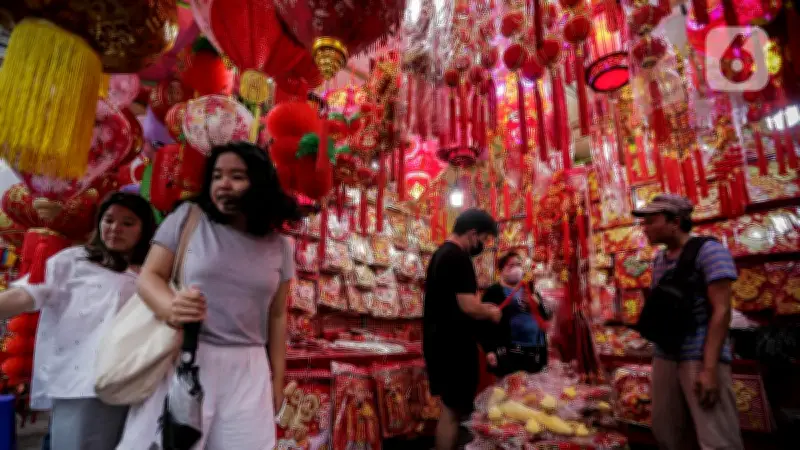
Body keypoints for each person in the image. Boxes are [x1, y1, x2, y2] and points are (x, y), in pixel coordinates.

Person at [117, 142, 299, 450]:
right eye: (217, 176)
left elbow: (278, 315)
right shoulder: (190, 218)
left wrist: (277, 379)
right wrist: (171, 307)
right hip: (189, 356)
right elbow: (149, 277)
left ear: (260, 183)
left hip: (249, 367)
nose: (224, 184)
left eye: (237, 176)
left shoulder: (280, 247)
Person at [0, 192, 156, 450]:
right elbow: (26, 294)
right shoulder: (74, 260)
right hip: (84, 384)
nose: (115, 228)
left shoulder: (153, 274)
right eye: (108, 220)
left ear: (144, 230)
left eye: (128, 223)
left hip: (137, 383)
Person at [633, 194, 743, 450]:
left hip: (699, 355)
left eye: (651, 221)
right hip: (666, 354)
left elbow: (721, 311)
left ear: (675, 222)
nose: (644, 227)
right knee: (668, 432)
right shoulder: (660, 260)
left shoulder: (710, 251)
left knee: (715, 435)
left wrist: (710, 368)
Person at [423, 208, 502, 450]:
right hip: (453, 348)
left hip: (440, 343)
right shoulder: (458, 258)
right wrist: (490, 311)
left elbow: (456, 303)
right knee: (452, 412)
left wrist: (481, 306)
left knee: (450, 410)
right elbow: (468, 307)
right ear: (472, 233)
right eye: (484, 239)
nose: (483, 245)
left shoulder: (440, 254)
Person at [480, 252, 552, 376]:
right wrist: (489, 350)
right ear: (501, 270)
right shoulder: (494, 292)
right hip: (509, 354)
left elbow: (544, 319)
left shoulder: (530, 290)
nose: (516, 268)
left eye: (518, 264)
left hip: (535, 353)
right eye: (511, 265)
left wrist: (536, 304)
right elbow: (482, 325)